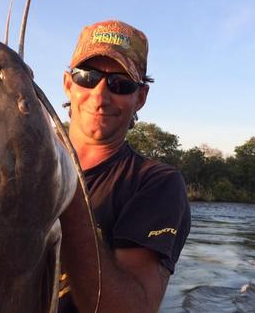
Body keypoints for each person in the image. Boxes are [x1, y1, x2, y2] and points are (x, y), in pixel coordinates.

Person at [57, 20, 191, 313]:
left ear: (140, 97)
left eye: (120, 84)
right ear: (69, 84)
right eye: (87, 77)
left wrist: (66, 196)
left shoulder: (157, 184)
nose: (100, 96)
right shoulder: (20, 162)